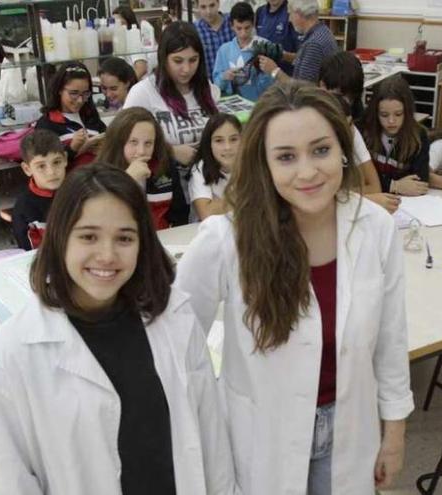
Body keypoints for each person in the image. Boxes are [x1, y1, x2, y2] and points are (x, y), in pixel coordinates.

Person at [175, 82, 412, 494]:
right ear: (264, 164)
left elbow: (390, 340)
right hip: (262, 433)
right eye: (286, 157)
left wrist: (394, 434)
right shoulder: (225, 238)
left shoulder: (375, 228)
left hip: (349, 427)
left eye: (320, 150)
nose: (307, 171)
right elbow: (174, 339)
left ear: (343, 149)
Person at [0, 164, 236, 495]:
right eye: (88, 236)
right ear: (59, 237)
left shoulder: (174, 316)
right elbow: (13, 478)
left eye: (124, 238)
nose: (107, 255)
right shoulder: (15, 351)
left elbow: (212, 439)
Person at [123, 21, 220, 167]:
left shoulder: (209, 89)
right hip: (161, 182)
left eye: (193, 60)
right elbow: (123, 142)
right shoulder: (142, 93)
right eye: (178, 61)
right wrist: (170, 151)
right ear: (163, 59)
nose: (186, 69)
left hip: (205, 180)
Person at [318, 53, 399, 213]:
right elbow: (314, 197)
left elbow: (374, 186)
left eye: (351, 98)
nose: (345, 104)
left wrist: (344, 196)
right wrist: (361, 198)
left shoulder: (349, 126)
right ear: (322, 87)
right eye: (340, 96)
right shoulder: (303, 128)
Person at [95, 107, 189, 229]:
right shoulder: (99, 173)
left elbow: (180, 213)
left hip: (163, 241)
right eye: (133, 142)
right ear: (118, 142)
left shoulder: (165, 165)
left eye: (148, 143)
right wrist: (127, 180)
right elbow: (99, 219)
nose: (141, 151)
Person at [362, 75, 430, 196]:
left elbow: (420, 183)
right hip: (371, 200)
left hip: (405, 203)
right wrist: (394, 185)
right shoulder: (362, 130)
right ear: (375, 113)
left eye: (398, 114)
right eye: (384, 115)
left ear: (407, 112)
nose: (391, 121)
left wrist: (383, 184)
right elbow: (356, 178)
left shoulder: (419, 135)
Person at [35, 62, 106, 169]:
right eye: (74, 93)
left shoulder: (91, 117)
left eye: (85, 93)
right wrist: (74, 149)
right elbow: (46, 167)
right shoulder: (46, 124)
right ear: (59, 90)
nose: (80, 100)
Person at [257, 0, 338, 83]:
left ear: (298, 14)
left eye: (290, 14)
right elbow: (305, 61)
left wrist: (274, 71)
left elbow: (300, 89)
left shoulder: (313, 45)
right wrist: (282, 54)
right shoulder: (323, 31)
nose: (289, 20)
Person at [11, 129, 67, 250]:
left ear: (65, 160)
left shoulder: (80, 192)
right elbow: (29, 254)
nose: (51, 172)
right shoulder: (24, 208)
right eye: (41, 166)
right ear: (27, 169)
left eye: (56, 162)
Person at [212, 2, 275, 101]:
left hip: (259, 104)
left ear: (253, 24)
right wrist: (224, 76)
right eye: (239, 28)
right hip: (233, 105)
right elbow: (216, 85)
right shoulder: (224, 50)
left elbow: (272, 84)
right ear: (232, 26)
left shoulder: (265, 45)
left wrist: (264, 72)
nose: (243, 33)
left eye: (247, 28)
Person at [188, 113, 241, 220]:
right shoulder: (200, 168)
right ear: (209, 143)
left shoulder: (253, 163)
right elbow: (206, 213)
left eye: (233, 139)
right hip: (206, 231)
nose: (227, 147)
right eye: (219, 140)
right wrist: (246, 195)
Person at [254, 0, 300, 75]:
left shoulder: (293, 12)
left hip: (285, 78)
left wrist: (282, 55)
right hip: (262, 78)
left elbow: (304, 57)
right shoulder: (260, 12)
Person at [113, 6, 156, 80]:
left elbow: (141, 69)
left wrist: (126, 86)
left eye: (121, 23)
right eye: (113, 23)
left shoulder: (133, 39)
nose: (117, 27)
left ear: (129, 24)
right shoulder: (117, 41)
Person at [194, 0, 235, 78]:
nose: (208, 11)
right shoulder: (195, 30)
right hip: (209, 85)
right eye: (203, 7)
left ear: (218, 3)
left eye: (212, 5)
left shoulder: (232, 22)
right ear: (197, 7)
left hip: (235, 82)